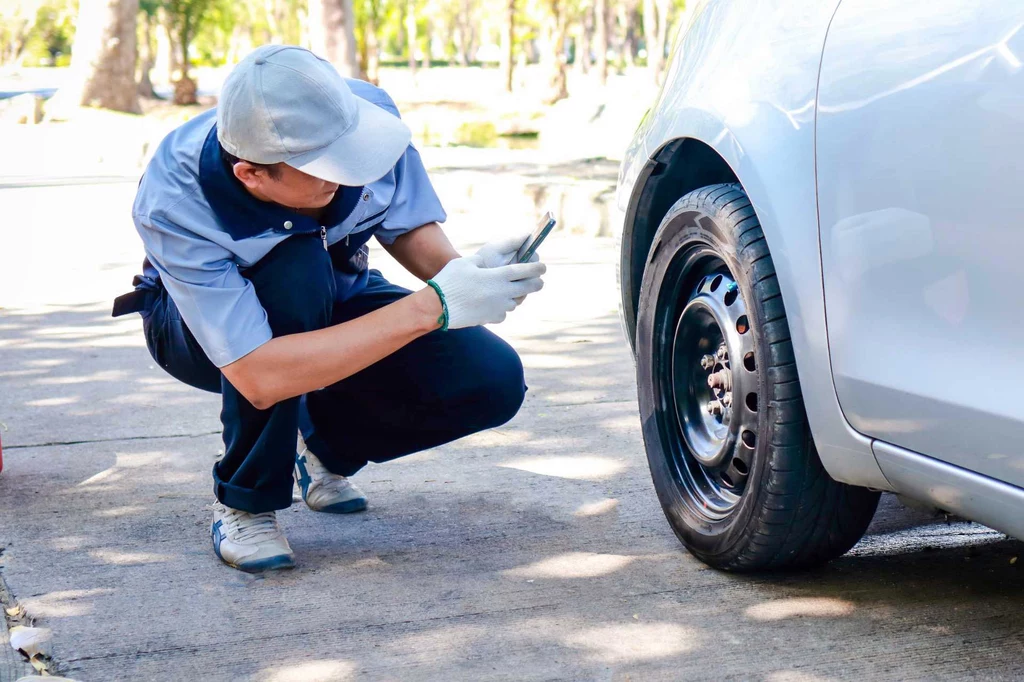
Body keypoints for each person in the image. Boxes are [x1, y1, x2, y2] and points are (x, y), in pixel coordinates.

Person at [112, 45, 546, 573]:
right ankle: (246, 504)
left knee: (490, 378)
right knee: (292, 269)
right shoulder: (175, 199)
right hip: (201, 332)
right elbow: (258, 373)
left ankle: (322, 450)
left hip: (336, 287)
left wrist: (470, 278)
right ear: (252, 175)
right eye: (326, 169)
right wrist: (433, 307)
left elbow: (404, 223)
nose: (350, 174)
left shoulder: (364, 116)